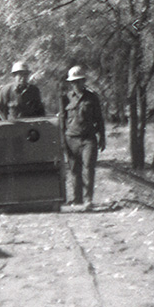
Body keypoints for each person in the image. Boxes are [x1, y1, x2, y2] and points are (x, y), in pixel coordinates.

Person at [59, 65, 105, 208]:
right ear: (70, 83)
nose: (76, 84)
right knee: (74, 170)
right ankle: (77, 198)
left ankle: (88, 199)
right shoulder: (65, 98)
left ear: (83, 81)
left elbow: (99, 118)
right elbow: (62, 120)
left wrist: (102, 137)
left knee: (88, 168)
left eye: (78, 81)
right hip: (71, 138)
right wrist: (61, 140)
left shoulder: (92, 97)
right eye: (73, 82)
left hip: (88, 139)